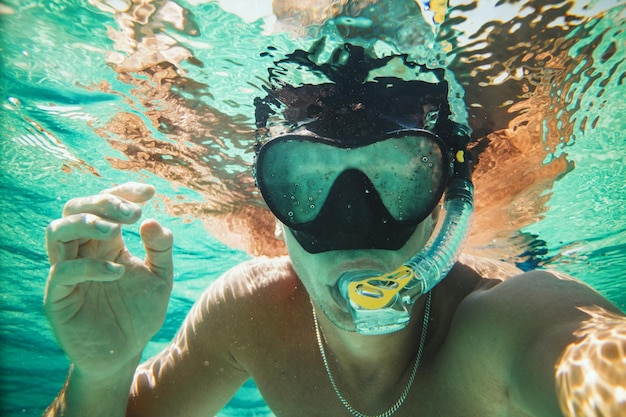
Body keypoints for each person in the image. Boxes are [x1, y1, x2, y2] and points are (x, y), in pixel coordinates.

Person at [43, 44, 625, 417]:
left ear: (444, 204)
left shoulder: (514, 318)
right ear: (273, 211)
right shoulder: (252, 314)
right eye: (303, 182)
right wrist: (103, 370)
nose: (352, 222)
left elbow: (592, 363)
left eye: (398, 178)